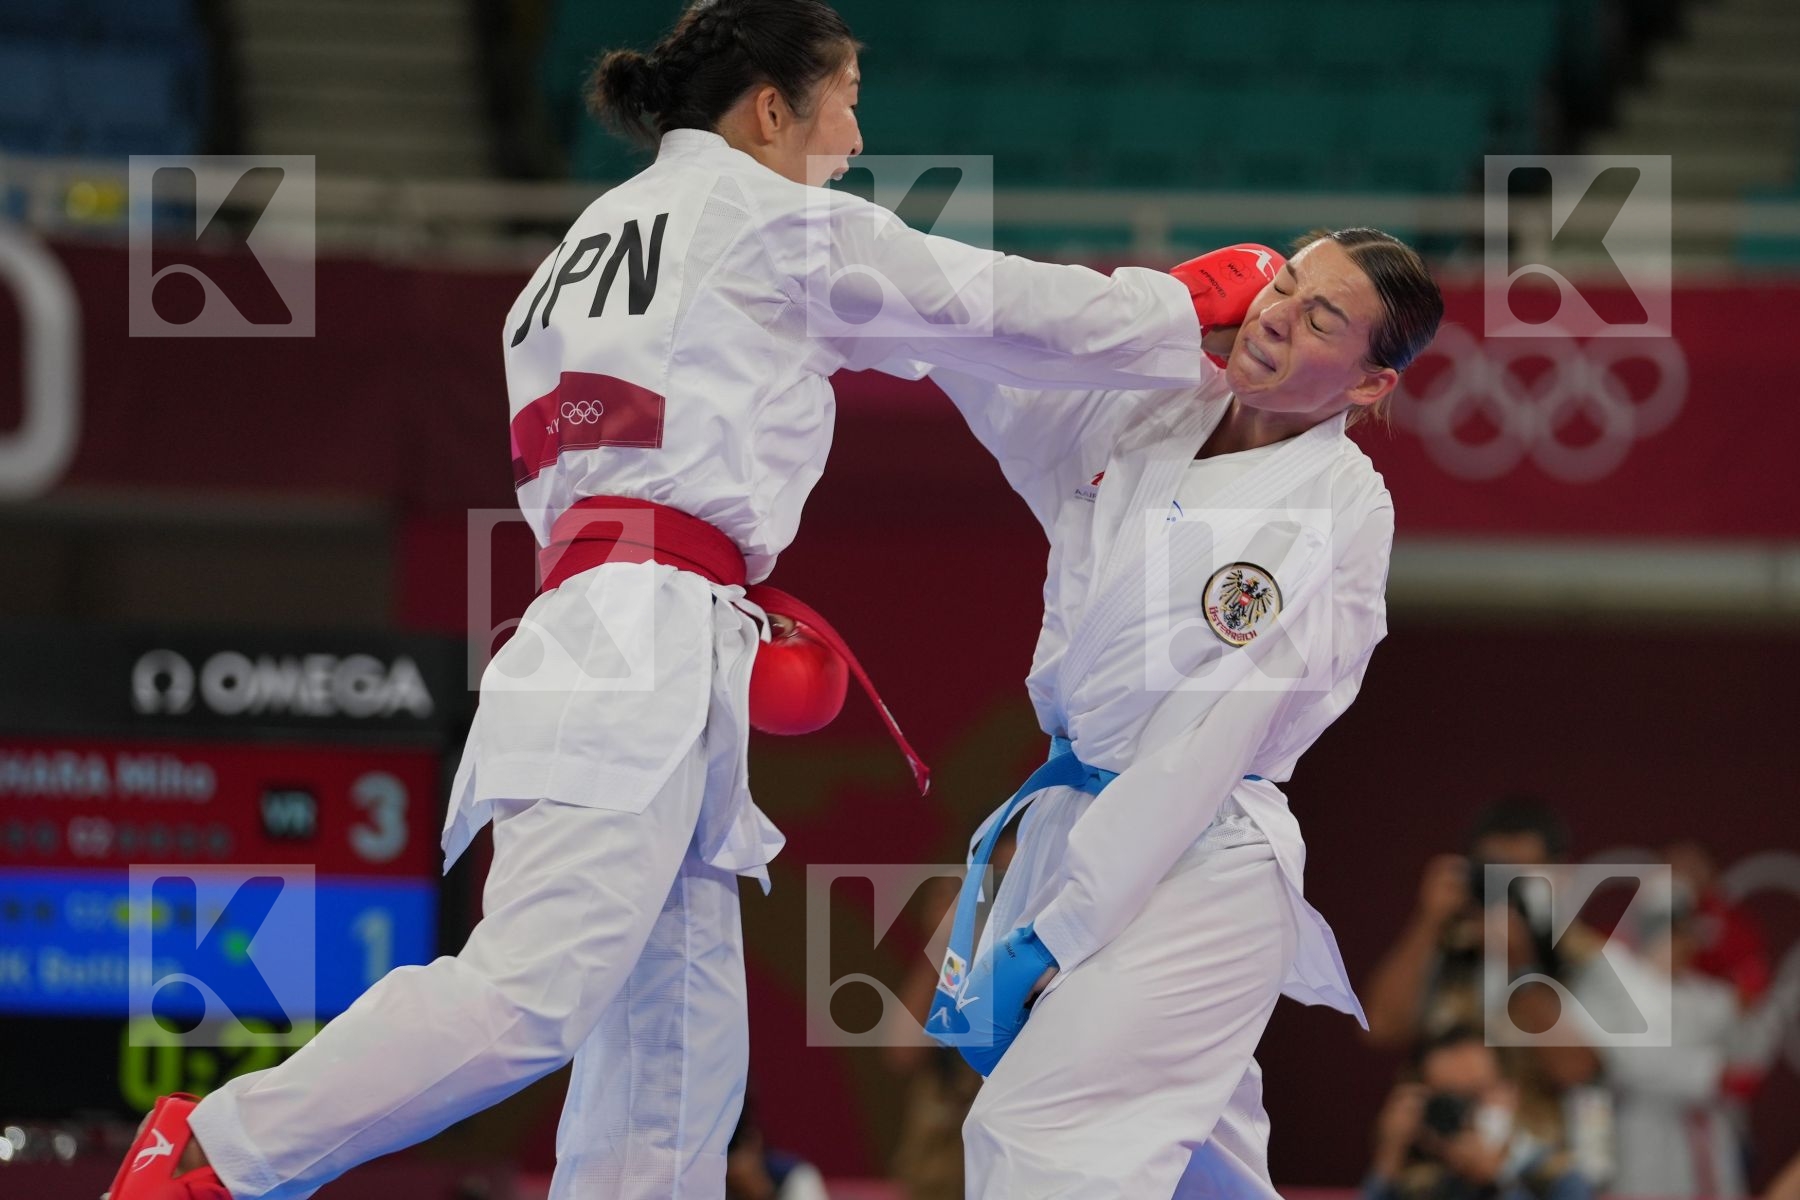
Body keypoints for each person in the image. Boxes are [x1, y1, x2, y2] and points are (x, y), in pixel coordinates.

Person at [103, 3, 1244, 1199]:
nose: (857, 138)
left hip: (620, 622)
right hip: (635, 630)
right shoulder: (766, 219)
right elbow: (994, 304)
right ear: (772, 108)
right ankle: (214, 1151)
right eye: (847, 102)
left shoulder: (573, 252)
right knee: (531, 992)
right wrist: (1189, 309)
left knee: (676, 1058)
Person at [912, 228, 1444, 1195]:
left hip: (1199, 857)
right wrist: (1153, 312)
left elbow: (1208, 745)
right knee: (1206, 1177)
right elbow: (992, 357)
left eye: (1321, 318)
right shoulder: (1152, 403)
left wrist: (1061, 929)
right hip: (1082, 828)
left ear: (1370, 385)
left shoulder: (1340, 508)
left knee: (1041, 1138)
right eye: (1283, 284)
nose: (1277, 316)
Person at [1365, 1029, 1592, 1200]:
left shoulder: (1556, 1176)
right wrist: (1389, 1156)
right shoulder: (1422, 1184)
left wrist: (1495, 1181)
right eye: (1449, 1100)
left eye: (1475, 1095)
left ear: (1510, 1093)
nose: (1465, 1114)